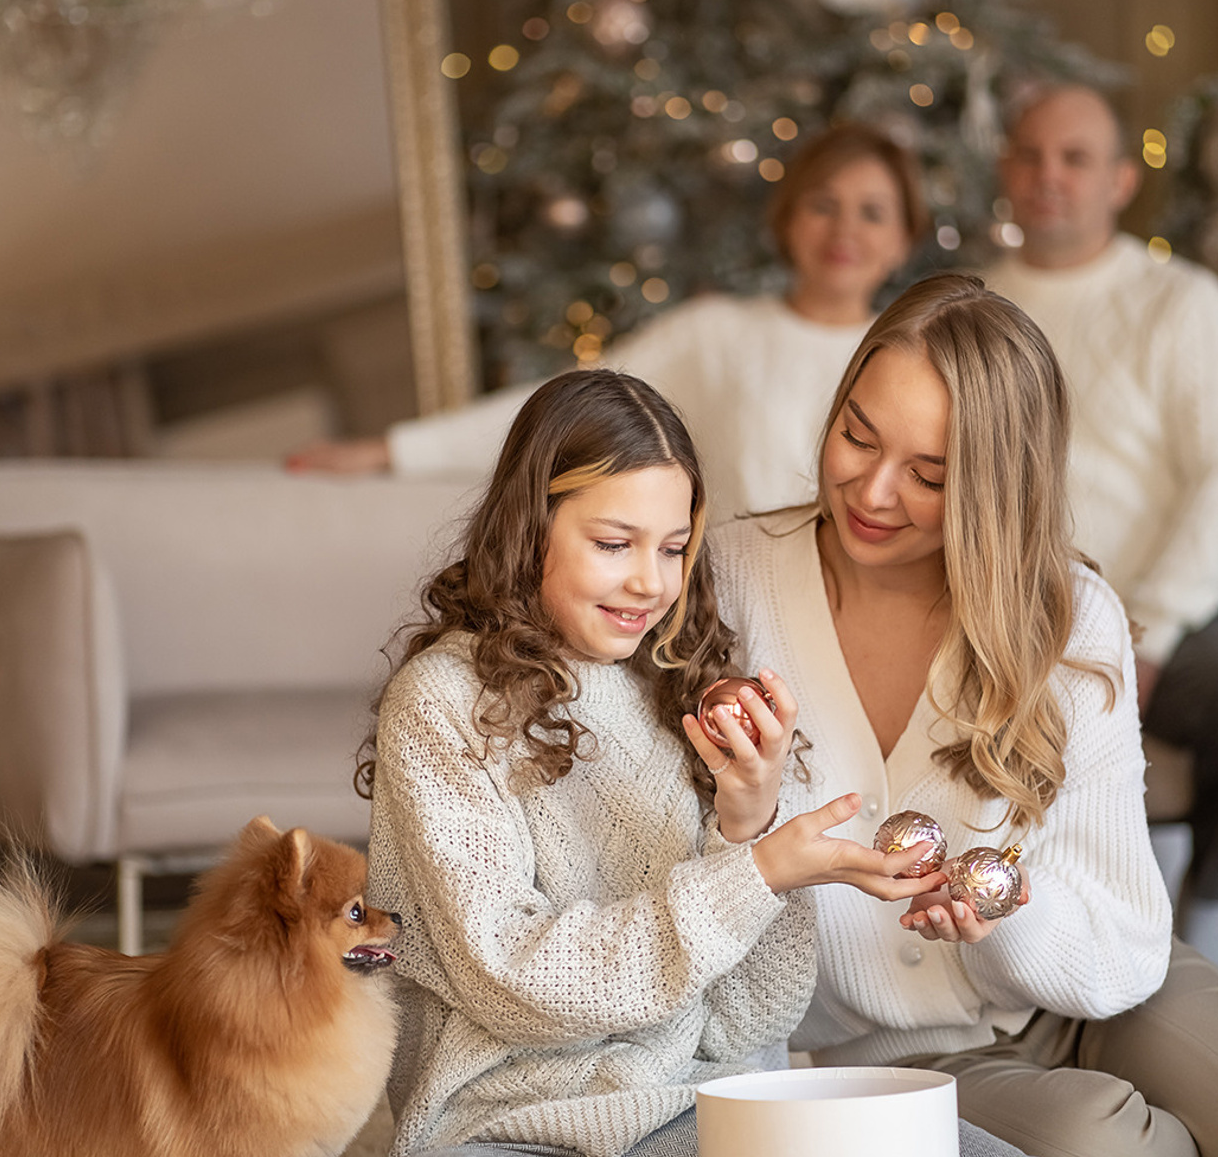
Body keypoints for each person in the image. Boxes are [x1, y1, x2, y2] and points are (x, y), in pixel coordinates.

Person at [359, 367, 1024, 1157]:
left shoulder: (681, 683)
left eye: (674, 548)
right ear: (527, 527)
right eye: (613, 544)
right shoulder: (441, 704)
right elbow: (513, 985)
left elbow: (752, 1021)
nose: (651, 583)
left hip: (720, 1105)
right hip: (524, 1123)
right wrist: (759, 872)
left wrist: (747, 823)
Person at [714, 272, 1218, 1157]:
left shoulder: (1069, 612)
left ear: (995, 486)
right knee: (1101, 1143)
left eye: (929, 475)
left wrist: (1012, 919)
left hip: (1102, 992)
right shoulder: (727, 585)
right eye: (857, 435)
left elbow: (1122, 931)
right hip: (902, 1055)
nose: (873, 491)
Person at [287, 121, 929, 519]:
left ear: (903, 238)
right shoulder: (716, 336)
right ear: (788, 219)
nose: (845, 230)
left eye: (872, 212)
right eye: (824, 204)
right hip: (734, 635)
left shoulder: (912, 363)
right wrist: (391, 451)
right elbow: (569, 409)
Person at [981, 82, 1218, 964]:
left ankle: (1209, 906)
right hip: (1004, 617)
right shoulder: (972, 309)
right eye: (1030, 155)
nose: (1048, 176)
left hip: (1165, 624)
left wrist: (1147, 630)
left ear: (1118, 181)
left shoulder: (1180, 303)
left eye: (1074, 158)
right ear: (1006, 171)